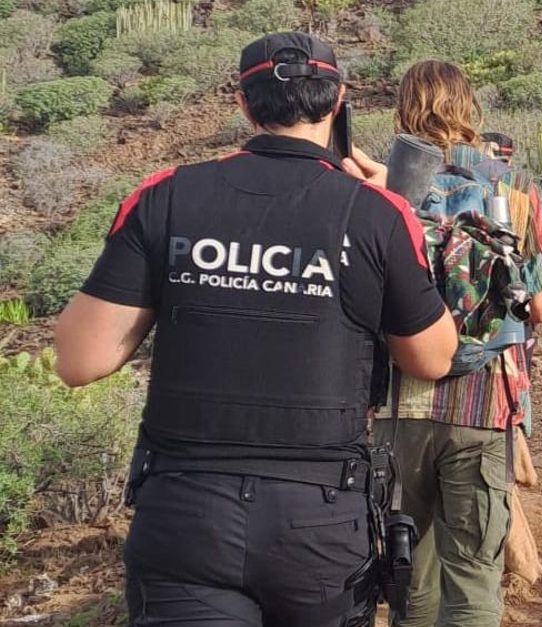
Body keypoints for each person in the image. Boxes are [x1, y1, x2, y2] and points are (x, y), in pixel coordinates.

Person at [53, 32, 458, 627]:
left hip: (185, 511)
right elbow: (433, 357)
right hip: (318, 522)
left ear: (244, 104)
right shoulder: (377, 212)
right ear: (338, 99)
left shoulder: (165, 195)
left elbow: (78, 360)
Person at [374, 60, 542, 627]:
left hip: (398, 405)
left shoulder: (386, 187)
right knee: (475, 575)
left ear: (405, 109)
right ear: (468, 108)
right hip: (483, 408)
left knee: (412, 575)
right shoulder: (513, 186)